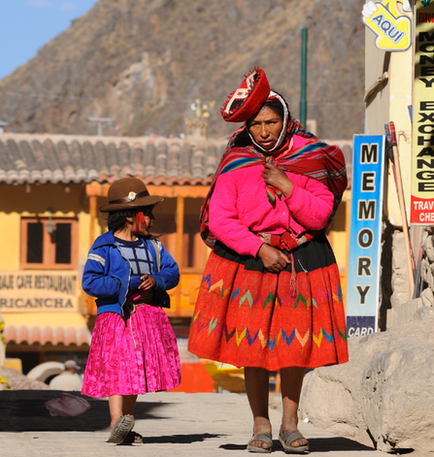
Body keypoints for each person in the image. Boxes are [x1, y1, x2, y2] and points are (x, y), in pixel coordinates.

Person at [188, 68, 348, 454]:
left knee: (295, 348)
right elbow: (221, 219)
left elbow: (320, 215)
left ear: (285, 120)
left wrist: (287, 186)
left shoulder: (309, 158)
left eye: (270, 122)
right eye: (256, 123)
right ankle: (261, 424)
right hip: (251, 259)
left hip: (302, 259)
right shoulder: (237, 162)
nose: (262, 131)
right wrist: (258, 248)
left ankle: (290, 425)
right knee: (252, 347)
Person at [80, 177, 182, 445]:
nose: (151, 219)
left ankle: (126, 421)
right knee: (118, 366)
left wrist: (157, 280)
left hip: (146, 317)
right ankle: (116, 421)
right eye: (146, 214)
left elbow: (172, 272)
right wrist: (126, 283)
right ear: (129, 217)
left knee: (135, 369)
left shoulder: (154, 247)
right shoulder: (104, 247)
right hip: (116, 316)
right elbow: (90, 282)